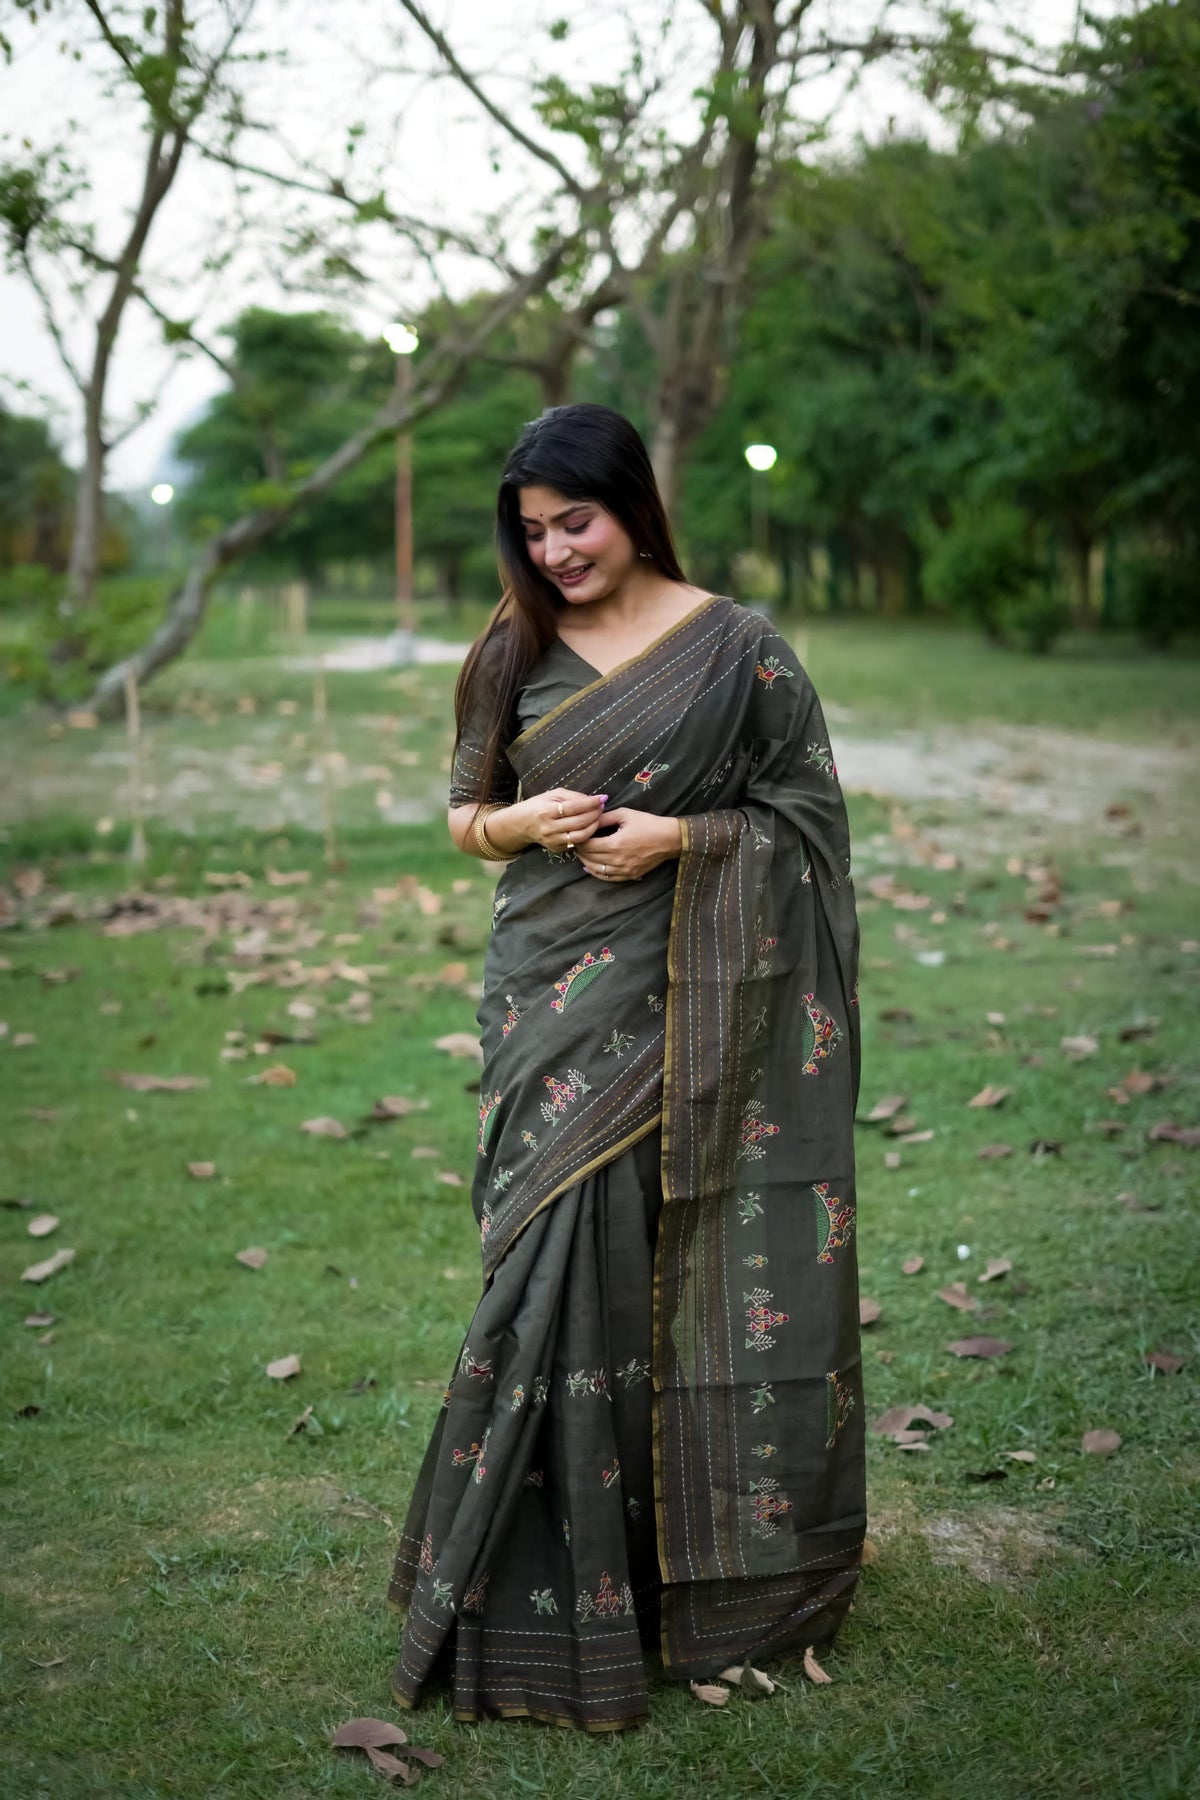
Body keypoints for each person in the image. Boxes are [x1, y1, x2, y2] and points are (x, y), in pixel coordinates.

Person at [387, 402, 864, 1732]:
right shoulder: (509, 651)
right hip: (550, 997)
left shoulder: (738, 649)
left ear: (634, 506)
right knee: (545, 1256)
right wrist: (513, 823)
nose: (553, 553)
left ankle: (689, 1579)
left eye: (575, 522)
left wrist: (684, 842)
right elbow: (462, 813)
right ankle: (522, 1574)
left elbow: (809, 823)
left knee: (679, 1257)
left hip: (694, 994)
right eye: (532, 533)